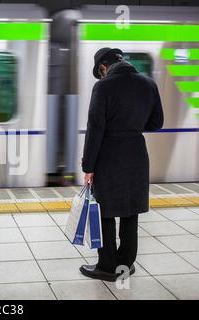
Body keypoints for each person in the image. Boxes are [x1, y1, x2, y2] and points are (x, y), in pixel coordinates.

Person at [80, 48, 164, 281]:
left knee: (105, 212)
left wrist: (88, 166)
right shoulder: (148, 84)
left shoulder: (104, 86)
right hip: (137, 154)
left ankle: (107, 266)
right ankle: (125, 265)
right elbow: (157, 122)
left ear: (103, 67)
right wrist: (132, 127)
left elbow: (95, 129)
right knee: (131, 212)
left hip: (108, 156)